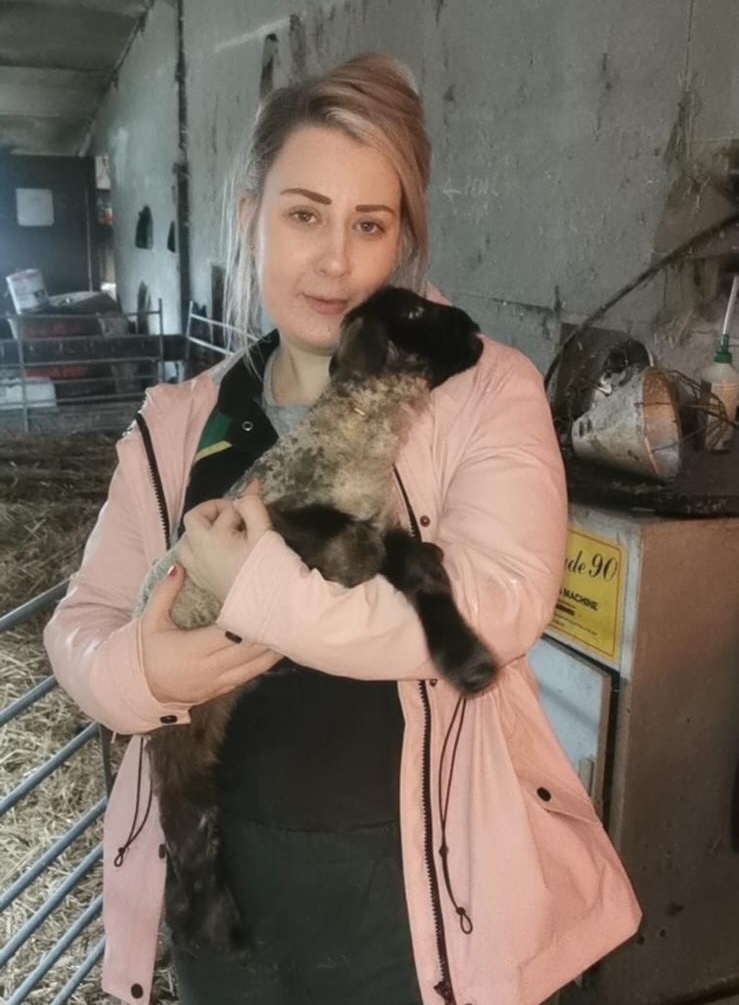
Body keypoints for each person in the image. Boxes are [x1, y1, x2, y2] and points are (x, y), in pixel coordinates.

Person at [44, 53, 640, 1005]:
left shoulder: (483, 391)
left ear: (403, 237)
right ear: (252, 217)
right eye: (304, 214)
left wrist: (258, 593)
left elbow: (494, 607)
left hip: (419, 896)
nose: (334, 259)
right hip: (221, 895)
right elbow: (81, 623)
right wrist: (144, 674)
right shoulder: (174, 423)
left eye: (369, 224)